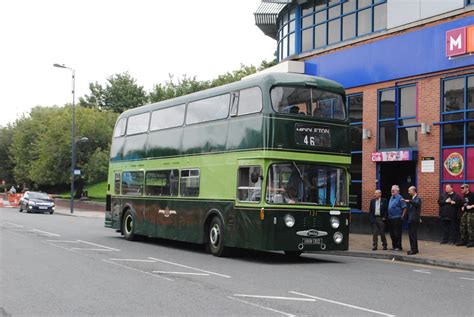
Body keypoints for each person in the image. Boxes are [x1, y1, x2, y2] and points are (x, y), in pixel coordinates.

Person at [388, 185, 407, 251]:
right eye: (391, 190)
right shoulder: (391, 197)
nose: (392, 191)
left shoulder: (400, 198)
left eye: (393, 190)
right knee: (392, 233)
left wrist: (402, 216)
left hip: (397, 218)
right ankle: (394, 246)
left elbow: (404, 207)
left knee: (397, 233)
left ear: (397, 191)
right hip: (390, 217)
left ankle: (398, 247)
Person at [403, 186, 421, 255]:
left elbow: (416, 204)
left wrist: (409, 201)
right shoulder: (413, 198)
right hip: (411, 219)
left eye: (409, 191)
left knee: (412, 235)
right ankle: (414, 249)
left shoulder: (417, 198)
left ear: (413, 191)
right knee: (411, 235)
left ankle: (413, 250)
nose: (408, 192)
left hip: (414, 219)